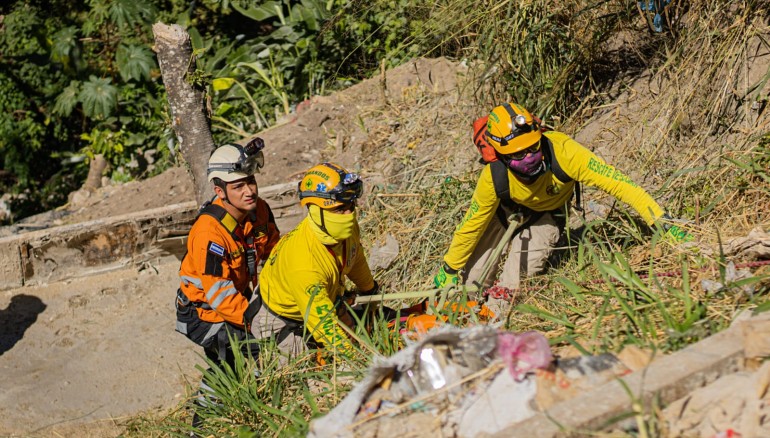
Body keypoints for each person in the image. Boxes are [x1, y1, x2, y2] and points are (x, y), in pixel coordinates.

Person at [433, 102, 690, 310]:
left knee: (510, 287)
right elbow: (472, 224)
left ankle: (492, 320)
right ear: (500, 154)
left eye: (533, 147)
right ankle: (458, 315)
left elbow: (618, 184)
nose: (529, 156)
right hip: (506, 212)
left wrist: (661, 220)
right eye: (518, 154)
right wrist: (450, 267)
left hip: (545, 216)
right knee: (468, 286)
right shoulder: (494, 176)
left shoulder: (564, 152)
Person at [174, 138, 280, 404]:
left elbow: (276, 253)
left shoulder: (260, 211)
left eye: (251, 181)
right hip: (203, 313)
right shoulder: (209, 232)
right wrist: (257, 323)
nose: (249, 191)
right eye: (238, 186)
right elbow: (219, 295)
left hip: (238, 300)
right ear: (220, 191)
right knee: (241, 357)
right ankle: (205, 424)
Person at [253, 162, 379, 361]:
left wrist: (369, 290)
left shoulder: (347, 227)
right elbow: (325, 326)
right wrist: (356, 363)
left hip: (326, 298)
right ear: (314, 209)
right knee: (308, 376)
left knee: (360, 336)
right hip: (279, 320)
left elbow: (355, 258)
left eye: (350, 206)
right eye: (339, 209)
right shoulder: (303, 261)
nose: (348, 215)